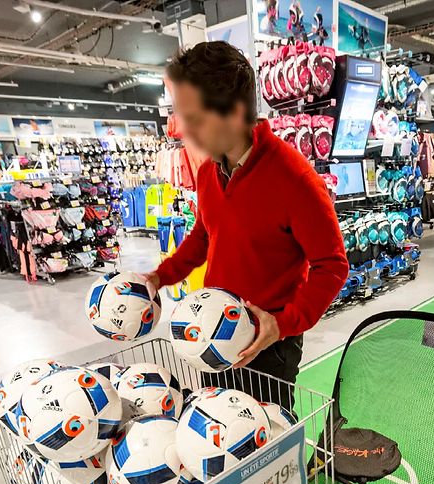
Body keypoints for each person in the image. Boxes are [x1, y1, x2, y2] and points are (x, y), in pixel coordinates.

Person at [146, 41, 347, 409]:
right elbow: (206, 233)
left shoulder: (295, 179)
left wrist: (282, 324)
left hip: (267, 346)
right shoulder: (209, 171)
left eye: (195, 118)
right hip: (210, 331)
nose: (184, 131)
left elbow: (332, 266)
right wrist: (161, 276)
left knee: (268, 451)